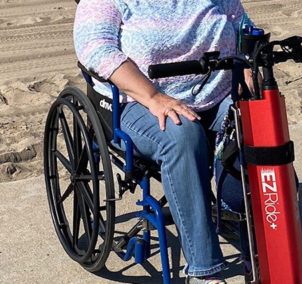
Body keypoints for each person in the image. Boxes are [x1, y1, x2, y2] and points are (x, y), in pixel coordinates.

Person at [73, 0, 256, 283]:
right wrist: (153, 96)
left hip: (216, 95)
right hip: (135, 102)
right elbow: (95, 48)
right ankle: (204, 271)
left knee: (255, 126)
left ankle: (259, 247)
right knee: (181, 135)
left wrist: (248, 66)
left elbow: (243, 27)